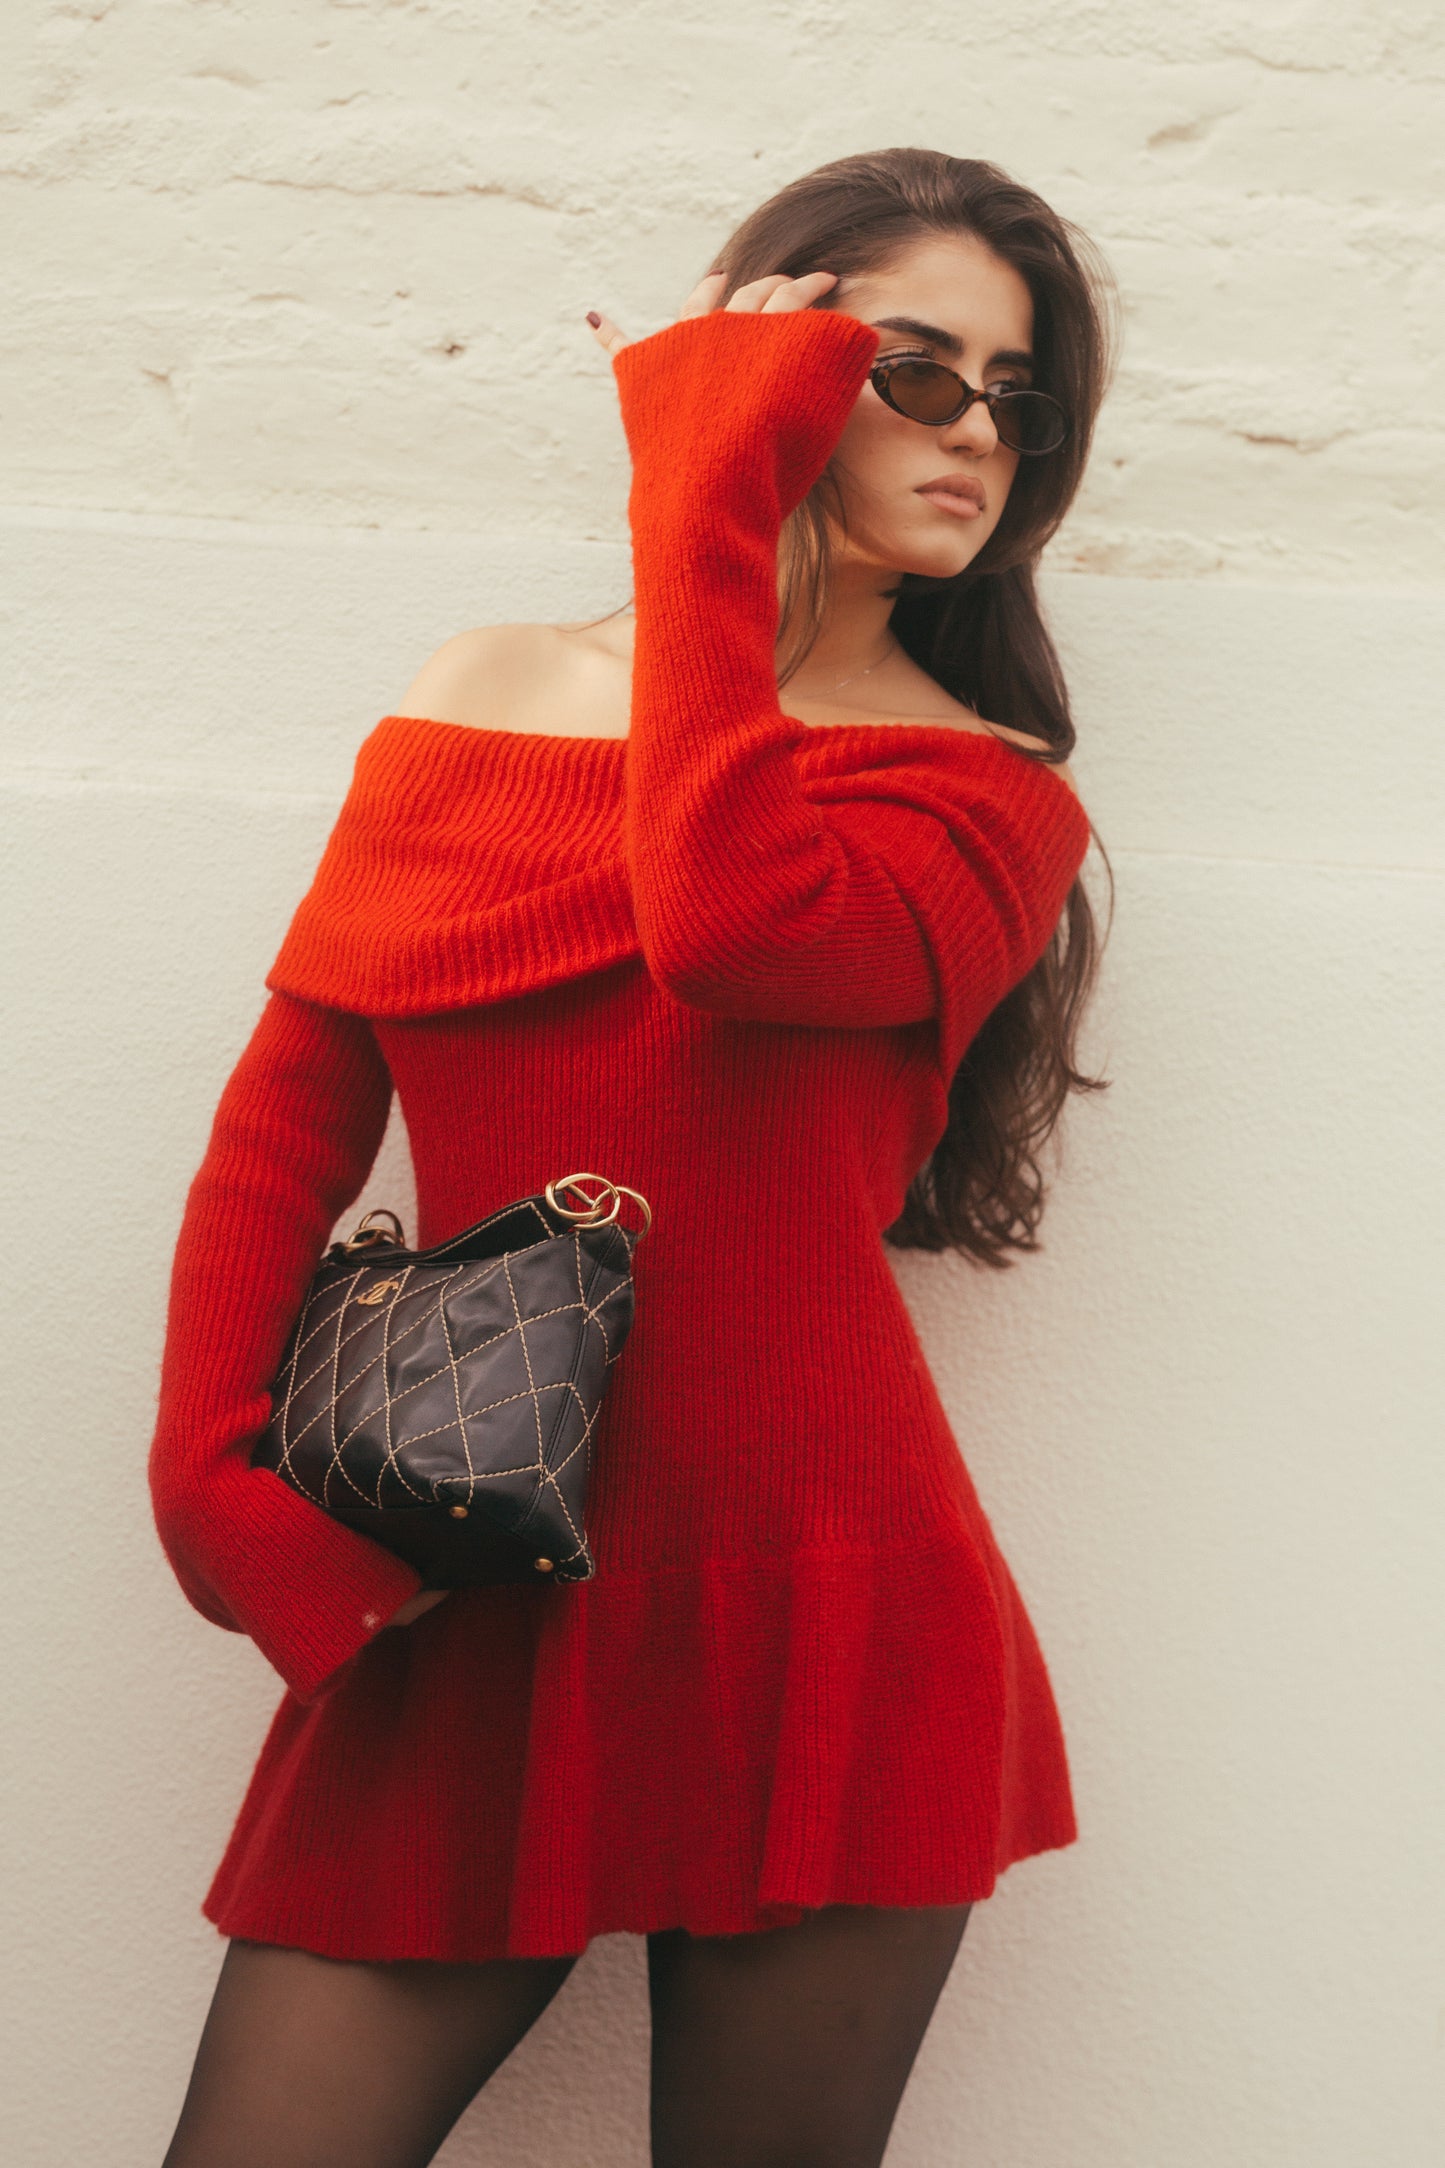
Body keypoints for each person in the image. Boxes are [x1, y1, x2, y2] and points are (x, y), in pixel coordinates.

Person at [153, 147, 1116, 2168]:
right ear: (761, 356)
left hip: (825, 1611)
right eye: (918, 370)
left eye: (1020, 398)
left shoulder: (980, 794)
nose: (982, 437)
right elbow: (290, 1120)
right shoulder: (484, 691)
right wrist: (213, 1494)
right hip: (468, 1582)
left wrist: (694, 485)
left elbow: (724, 915)